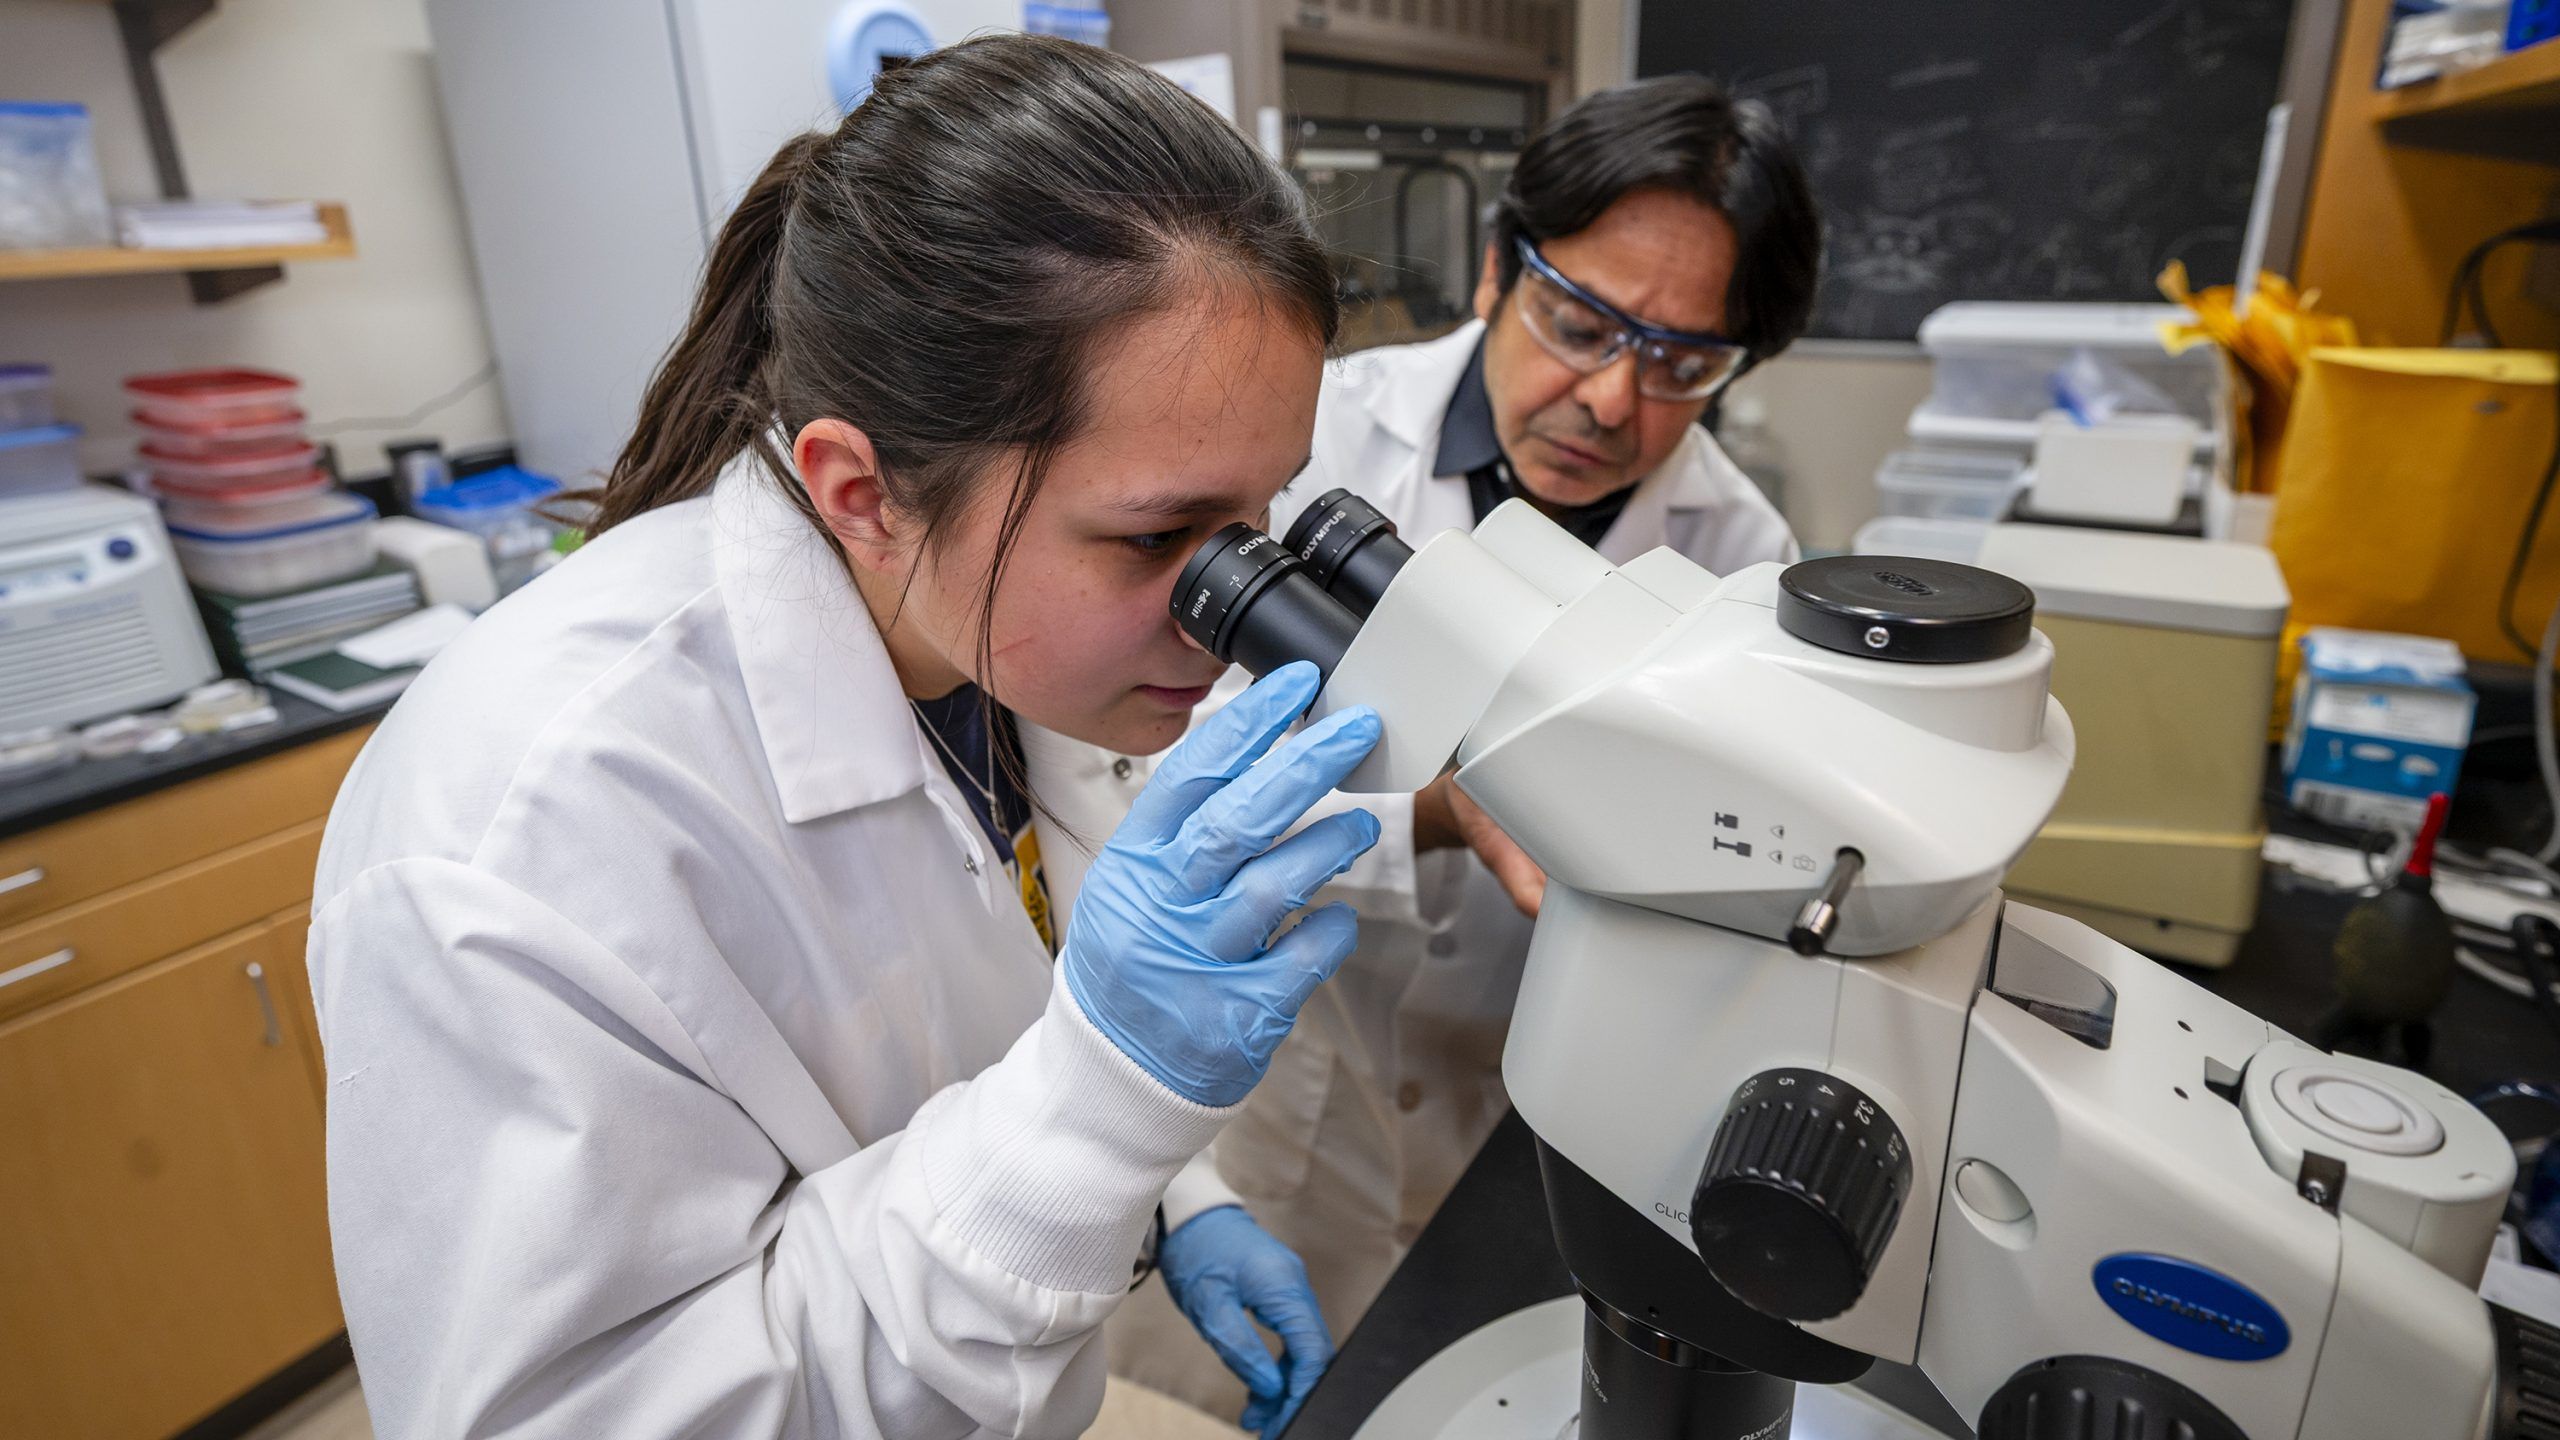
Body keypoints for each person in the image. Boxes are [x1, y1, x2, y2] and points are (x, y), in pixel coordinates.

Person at [308, 36, 1381, 1439]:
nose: (1230, 605)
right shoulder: (533, 831)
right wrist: (1102, 1105)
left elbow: (1009, 978)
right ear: (863, 492)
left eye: (1260, 516)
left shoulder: (991, 640)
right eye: (1162, 536)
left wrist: (1178, 1195)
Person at [1107, 73, 1823, 1409]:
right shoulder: (1309, 447)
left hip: (1530, 1129)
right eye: (1579, 321)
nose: (1613, 399)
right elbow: (1141, 776)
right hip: (1276, 1127)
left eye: (1681, 365)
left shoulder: (1743, 561)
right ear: (1500, 265)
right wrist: (1443, 806)